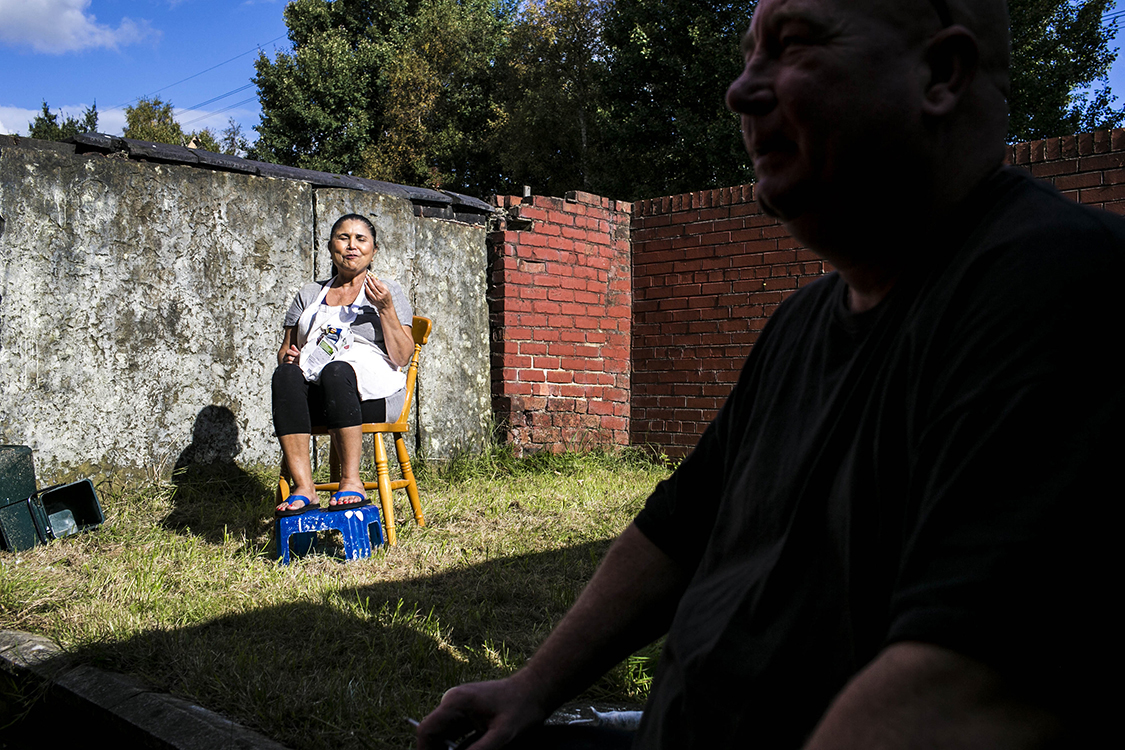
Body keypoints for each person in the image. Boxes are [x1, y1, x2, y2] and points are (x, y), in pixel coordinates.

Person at [417, 0, 1121, 748]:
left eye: (790, 47)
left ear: (940, 74)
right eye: (749, 56)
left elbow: (967, 688)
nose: (740, 91)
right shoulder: (801, 321)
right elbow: (675, 532)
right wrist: (531, 687)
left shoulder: (1070, 288)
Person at [273, 213, 414, 516]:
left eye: (360, 239)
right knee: (285, 375)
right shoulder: (309, 294)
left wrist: (386, 309)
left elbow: (402, 357)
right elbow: (286, 349)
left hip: (373, 393)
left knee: (337, 370)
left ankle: (351, 481)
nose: (352, 245)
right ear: (330, 247)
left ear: (373, 251)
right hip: (320, 390)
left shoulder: (388, 292)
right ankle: (304, 488)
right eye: (343, 237)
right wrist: (289, 357)